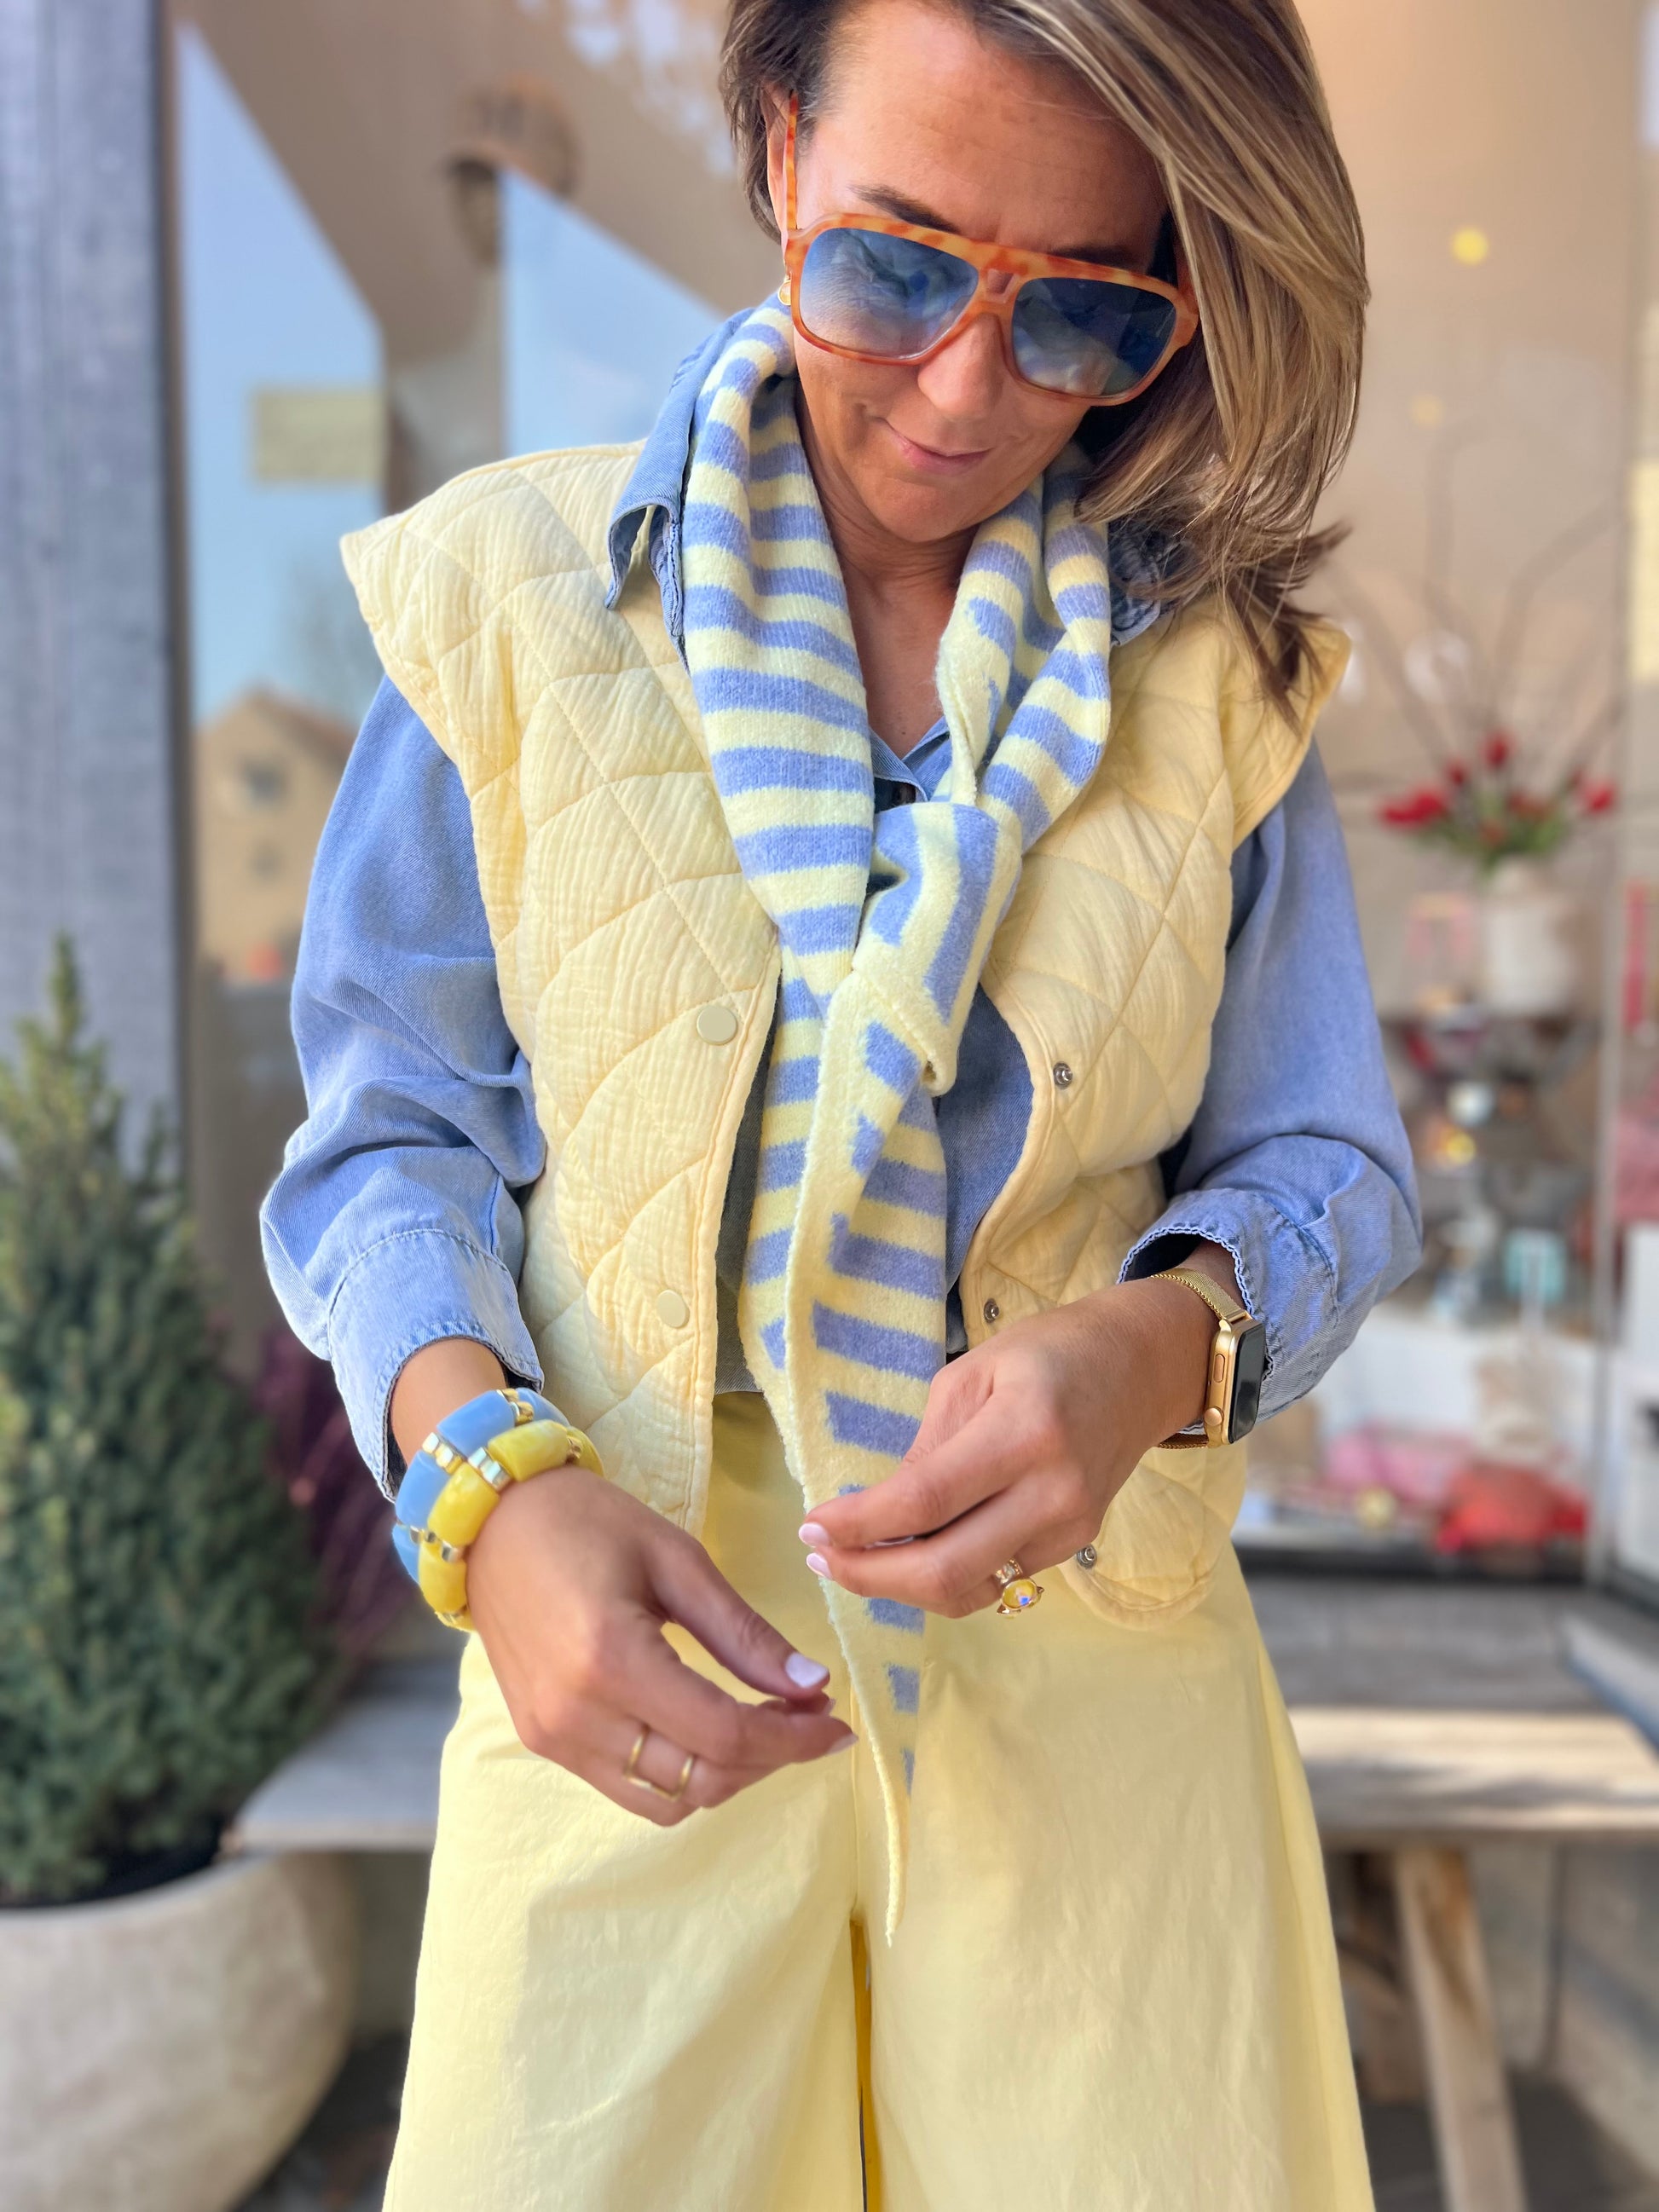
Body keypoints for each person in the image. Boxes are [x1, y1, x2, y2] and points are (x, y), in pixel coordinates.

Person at [263, 0, 1420, 2203]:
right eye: (894, 265)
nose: (964, 393)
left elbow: (1321, 1159)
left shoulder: (1216, 681)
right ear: (781, 153)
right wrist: (485, 1489)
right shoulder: (505, 606)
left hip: (1099, 1712)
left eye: (1076, 314)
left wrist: (1154, 1345)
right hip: (631, 1683)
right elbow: (386, 1139)